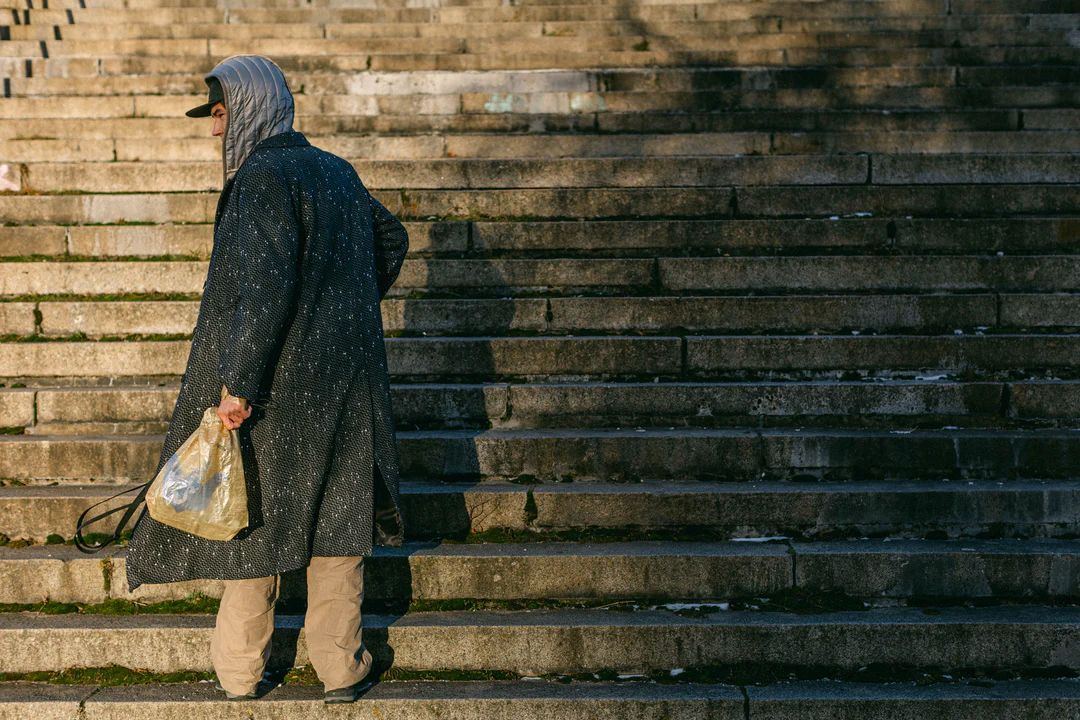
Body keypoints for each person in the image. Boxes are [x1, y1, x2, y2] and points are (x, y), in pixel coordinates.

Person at [123, 54, 410, 704]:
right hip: (344, 384)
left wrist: (239, 385)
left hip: (276, 389)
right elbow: (390, 241)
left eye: (221, 115)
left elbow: (268, 285)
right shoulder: (337, 172)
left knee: (254, 531)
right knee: (338, 528)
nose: (215, 131)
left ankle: (240, 674)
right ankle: (341, 669)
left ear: (250, 108)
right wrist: (345, 312)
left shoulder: (260, 179)